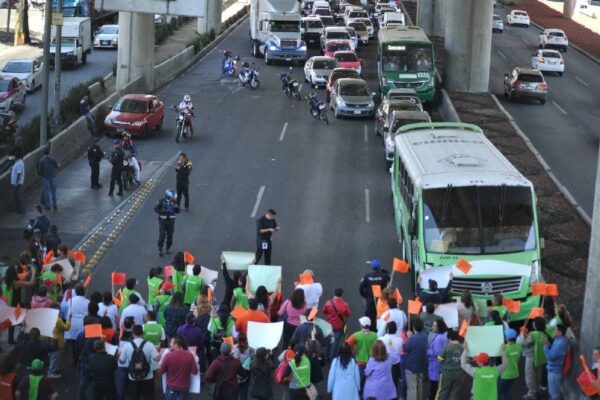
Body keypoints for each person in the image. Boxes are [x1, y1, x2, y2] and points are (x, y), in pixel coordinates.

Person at [118, 324, 160, 399]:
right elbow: (157, 359)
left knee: (134, 397)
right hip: (148, 376)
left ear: (133, 333)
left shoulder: (127, 346)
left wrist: (118, 355)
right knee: (148, 397)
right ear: (143, 333)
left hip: (133, 377)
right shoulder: (149, 345)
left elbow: (122, 361)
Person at [160, 334, 199, 400]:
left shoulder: (168, 356)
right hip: (184, 387)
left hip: (171, 387)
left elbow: (161, 371)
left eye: (171, 342)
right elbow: (195, 371)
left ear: (176, 344)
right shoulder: (189, 355)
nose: (170, 344)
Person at [358, 259, 391, 331]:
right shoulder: (385, 276)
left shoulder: (366, 276)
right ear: (380, 267)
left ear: (371, 268)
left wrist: (364, 296)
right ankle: (382, 329)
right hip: (382, 300)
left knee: (371, 316)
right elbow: (390, 277)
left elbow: (360, 288)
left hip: (370, 300)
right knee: (382, 315)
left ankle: (373, 330)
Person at [346, 316, 377, 390]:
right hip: (371, 360)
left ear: (361, 325)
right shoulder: (375, 335)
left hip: (360, 360)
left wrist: (353, 350)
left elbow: (346, 344)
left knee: (360, 378)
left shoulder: (356, 335)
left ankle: (360, 392)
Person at [322, 288, 350, 360]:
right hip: (339, 326)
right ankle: (333, 357)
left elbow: (324, 312)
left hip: (329, 325)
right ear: (342, 295)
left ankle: (326, 356)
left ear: (334, 294)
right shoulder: (345, 304)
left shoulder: (328, 302)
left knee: (328, 340)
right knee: (336, 341)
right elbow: (348, 314)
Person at [403, 317, 428, 400]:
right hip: (421, 365)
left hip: (411, 366)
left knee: (412, 388)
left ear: (413, 327)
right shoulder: (425, 336)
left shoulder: (413, 338)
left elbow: (406, 348)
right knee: (420, 386)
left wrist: (409, 337)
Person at [436, 329, 464, 400]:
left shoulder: (447, 346)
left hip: (447, 373)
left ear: (449, 338)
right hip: (459, 373)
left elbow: (439, 359)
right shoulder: (462, 347)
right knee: (454, 393)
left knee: (443, 391)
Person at [544, 324, 569, 400]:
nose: (553, 331)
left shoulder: (562, 342)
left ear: (560, 332)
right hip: (552, 369)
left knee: (554, 394)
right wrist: (548, 345)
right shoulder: (557, 339)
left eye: (555, 329)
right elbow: (553, 352)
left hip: (555, 371)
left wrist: (545, 346)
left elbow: (550, 357)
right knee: (552, 392)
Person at [155, 189, 180, 256]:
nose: (173, 198)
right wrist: (163, 211)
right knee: (162, 235)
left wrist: (175, 206)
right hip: (163, 221)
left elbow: (178, 211)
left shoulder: (174, 202)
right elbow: (156, 209)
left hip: (171, 221)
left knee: (170, 236)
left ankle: (168, 247)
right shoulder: (161, 201)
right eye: (171, 197)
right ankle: (160, 249)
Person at [427, 319, 448, 400]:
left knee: (433, 385)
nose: (433, 327)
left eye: (435, 326)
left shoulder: (438, 338)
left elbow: (437, 352)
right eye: (433, 325)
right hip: (440, 363)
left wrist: (427, 351)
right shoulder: (445, 335)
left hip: (434, 364)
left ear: (440, 327)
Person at [498, 329, 522, 400]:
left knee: (498, 391)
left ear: (507, 338)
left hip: (505, 374)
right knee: (507, 391)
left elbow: (499, 354)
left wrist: (501, 349)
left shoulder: (505, 349)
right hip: (514, 373)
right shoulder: (519, 347)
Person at [38, 146, 59, 210]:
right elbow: (56, 166)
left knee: (47, 192)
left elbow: (40, 170)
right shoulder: (53, 159)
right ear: (49, 152)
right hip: (53, 177)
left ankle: (48, 206)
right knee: (54, 192)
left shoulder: (42, 160)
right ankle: (55, 205)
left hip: (45, 177)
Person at [10, 146, 25, 214]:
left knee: (19, 197)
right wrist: (12, 168)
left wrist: (16, 182)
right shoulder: (17, 162)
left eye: (14, 156)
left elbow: (19, 173)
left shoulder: (19, 163)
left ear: (17, 157)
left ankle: (21, 210)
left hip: (17, 184)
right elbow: (15, 168)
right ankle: (16, 208)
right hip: (15, 183)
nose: (13, 157)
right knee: (15, 197)